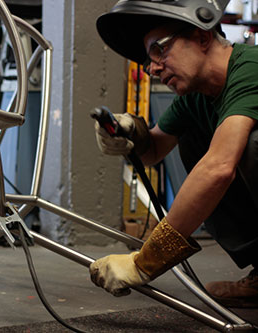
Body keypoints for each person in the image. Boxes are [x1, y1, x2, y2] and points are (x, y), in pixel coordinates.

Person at [90, 0, 258, 308]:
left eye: (159, 49)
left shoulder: (251, 69)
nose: (152, 67)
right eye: (148, 60)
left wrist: (146, 261)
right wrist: (130, 134)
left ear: (202, 36)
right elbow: (153, 150)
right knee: (195, 138)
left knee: (244, 147)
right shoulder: (198, 96)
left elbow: (219, 168)